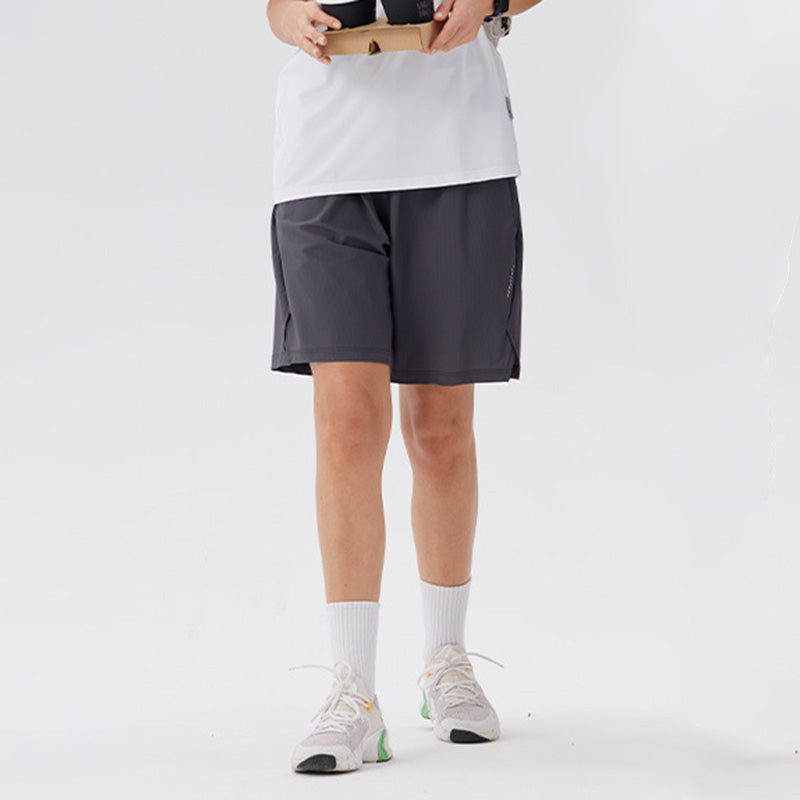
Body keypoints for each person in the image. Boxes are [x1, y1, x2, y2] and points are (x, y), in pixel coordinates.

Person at [265, 0, 544, 774]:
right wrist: (290, 19)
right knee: (347, 423)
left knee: (441, 427)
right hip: (326, 160)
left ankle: (446, 659)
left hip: (457, 151)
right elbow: (278, 7)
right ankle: (352, 688)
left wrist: (488, 3)